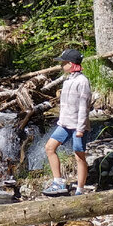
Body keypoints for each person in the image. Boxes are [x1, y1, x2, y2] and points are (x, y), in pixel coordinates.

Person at [43, 48, 91, 196]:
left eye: (63, 62)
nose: (61, 65)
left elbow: (84, 106)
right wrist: (60, 121)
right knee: (50, 148)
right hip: (64, 124)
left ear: (71, 64)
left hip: (78, 125)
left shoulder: (82, 82)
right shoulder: (68, 80)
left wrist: (81, 129)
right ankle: (58, 182)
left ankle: (80, 189)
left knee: (79, 156)